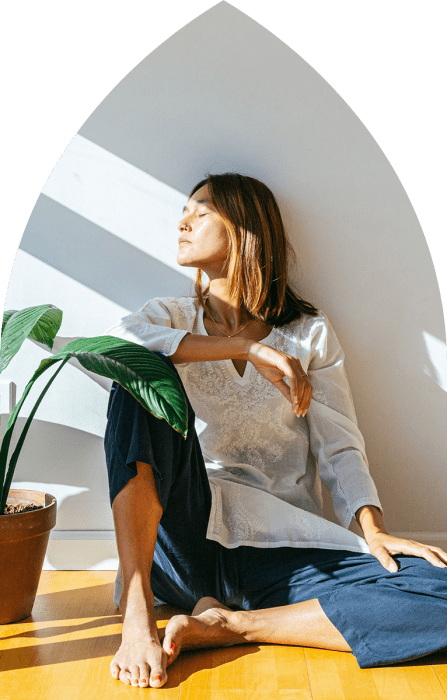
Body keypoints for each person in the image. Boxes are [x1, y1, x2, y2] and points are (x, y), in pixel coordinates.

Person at [80, 174, 447, 688]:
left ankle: (234, 625)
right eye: (184, 210)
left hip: (277, 548)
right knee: (137, 377)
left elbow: (339, 445)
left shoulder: (309, 333)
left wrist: (373, 529)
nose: (182, 221)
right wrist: (246, 349)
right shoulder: (168, 317)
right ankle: (137, 614)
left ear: (246, 228)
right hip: (180, 539)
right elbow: (104, 350)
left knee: (441, 592)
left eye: (201, 211)